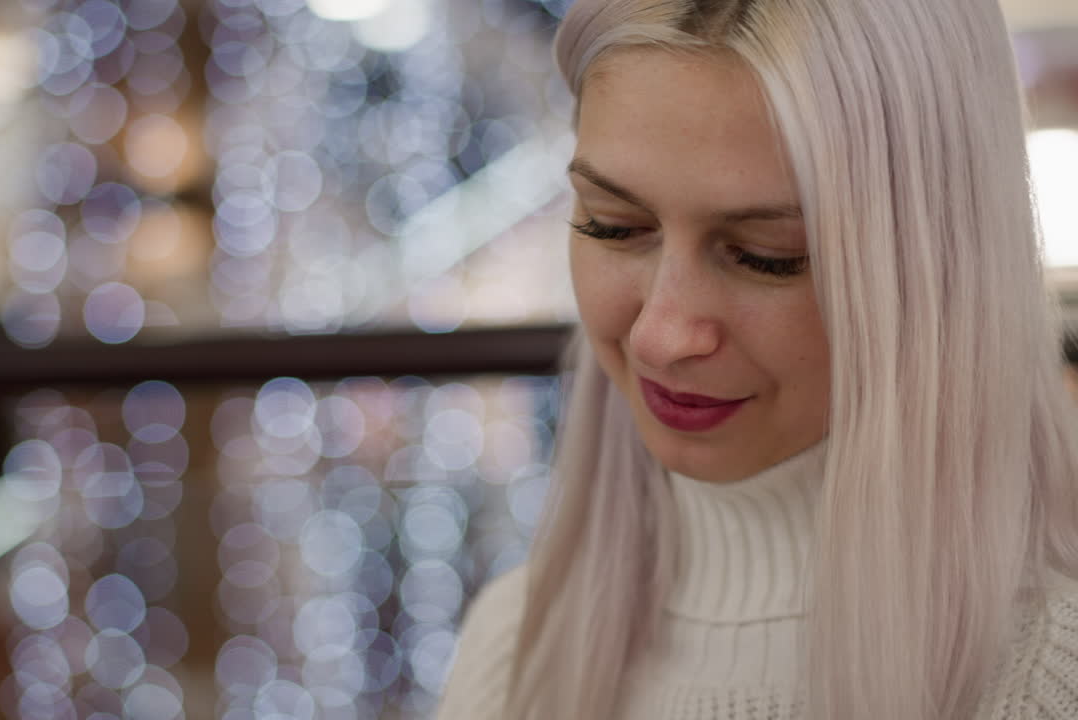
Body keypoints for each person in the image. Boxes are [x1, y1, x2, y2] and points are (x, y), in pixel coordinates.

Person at [434, 0, 1078, 718]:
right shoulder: (512, 644)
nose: (661, 336)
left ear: (936, 263)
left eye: (767, 258)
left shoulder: (1049, 671)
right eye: (612, 227)